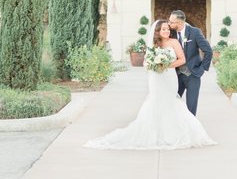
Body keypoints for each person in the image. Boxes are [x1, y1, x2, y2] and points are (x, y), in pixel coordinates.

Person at [84, 19, 216, 150]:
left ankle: (172, 134)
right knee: (155, 101)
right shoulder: (153, 45)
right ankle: (155, 133)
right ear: (157, 31)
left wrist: (167, 65)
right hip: (156, 79)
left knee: (171, 101)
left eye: (168, 29)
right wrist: (154, 64)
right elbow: (146, 63)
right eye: (163, 29)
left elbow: (182, 59)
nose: (166, 31)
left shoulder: (174, 42)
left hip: (169, 77)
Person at [168, 10, 213, 116]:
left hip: (193, 74)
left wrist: (202, 69)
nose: (169, 24)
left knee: (191, 106)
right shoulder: (170, 33)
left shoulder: (195, 32)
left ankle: (191, 128)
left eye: (171, 22)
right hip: (175, 75)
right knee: (172, 102)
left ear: (179, 23)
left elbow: (208, 51)